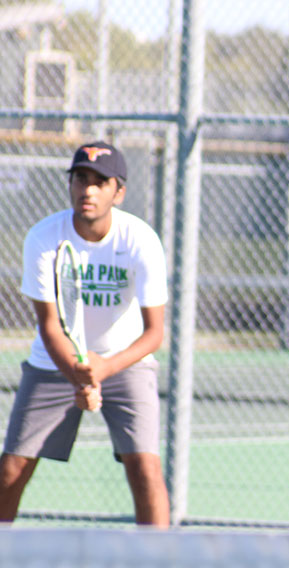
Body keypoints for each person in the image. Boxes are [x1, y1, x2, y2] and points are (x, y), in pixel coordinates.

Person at [0, 141, 170, 527]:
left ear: (119, 192)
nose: (88, 190)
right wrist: (79, 372)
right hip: (54, 363)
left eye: (100, 182)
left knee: (146, 471)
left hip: (125, 363)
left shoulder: (141, 240)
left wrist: (104, 369)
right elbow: (48, 325)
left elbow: (155, 333)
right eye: (80, 179)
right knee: (10, 471)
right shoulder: (44, 238)